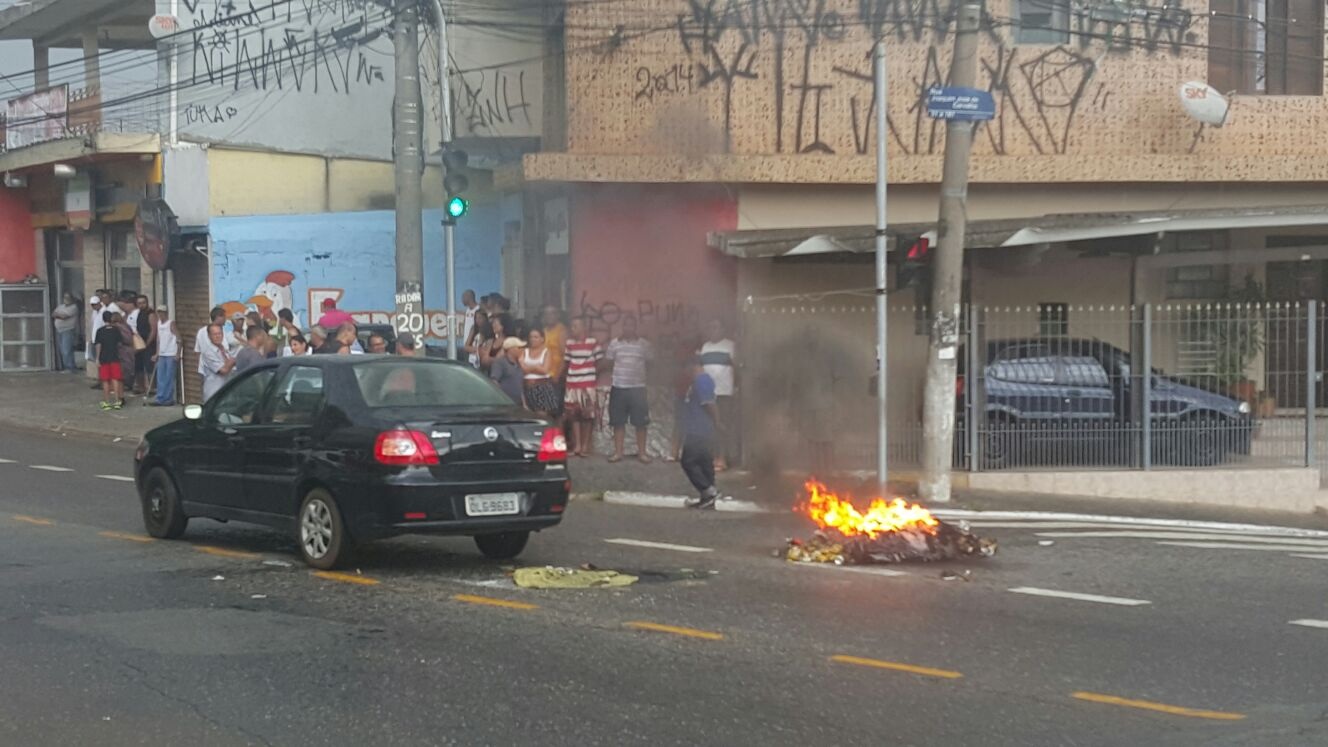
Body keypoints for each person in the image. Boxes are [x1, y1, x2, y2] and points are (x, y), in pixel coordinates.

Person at [606, 315, 654, 464]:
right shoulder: (614, 344)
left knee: (641, 423)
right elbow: (608, 362)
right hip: (619, 387)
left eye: (631, 325)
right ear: (623, 327)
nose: (628, 328)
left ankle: (642, 453)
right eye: (626, 325)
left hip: (638, 388)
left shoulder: (644, 345)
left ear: (635, 327)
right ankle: (618, 453)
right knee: (618, 422)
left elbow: (651, 363)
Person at [679, 357, 726, 510]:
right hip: (700, 429)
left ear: (694, 365)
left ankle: (708, 490)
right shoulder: (698, 382)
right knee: (704, 462)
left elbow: (710, 404)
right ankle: (707, 498)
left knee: (688, 461)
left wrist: (717, 422)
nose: (685, 372)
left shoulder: (702, 381)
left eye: (686, 368)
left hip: (699, 430)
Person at [699, 319, 740, 470]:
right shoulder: (705, 347)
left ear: (722, 329)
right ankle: (712, 457)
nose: (713, 330)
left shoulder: (730, 345)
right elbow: (702, 370)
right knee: (709, 426)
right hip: (707, 393)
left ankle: (722, 458)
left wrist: (736, 386)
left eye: (716, 327)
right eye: (710, 327)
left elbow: (737, 368)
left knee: (721, 425)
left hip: (724, 392)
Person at [563, 317, 603, 457]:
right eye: (572, 326)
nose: (573, 329)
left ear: (583, 327)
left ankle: (585, 446)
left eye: (575, 326)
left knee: (588, 416)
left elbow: (600, 362)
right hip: (572, 384)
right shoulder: (569, 344)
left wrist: (590, 374)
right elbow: (567, 362)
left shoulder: (592, 342)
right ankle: (577, 445)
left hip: (588, 384)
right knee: (574, 416)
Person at [520, 328, 560, 417]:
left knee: (542, 415)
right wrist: (537, 367)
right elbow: (523, 369)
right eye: (531, 337)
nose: (532, 339)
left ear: (542, 339)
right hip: (527, 387)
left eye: (536, 337)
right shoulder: (524, 351)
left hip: (542, 387)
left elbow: (545, 370)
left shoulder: (546, 351)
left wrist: (531, 367)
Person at [94, 311, 124, 411]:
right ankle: (117, 401)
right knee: (115, 379)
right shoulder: (116, 330)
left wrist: (97, 358)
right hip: (115, 357)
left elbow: (98, 345)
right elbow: (120, 344)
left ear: (103, 319)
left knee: (105, 380)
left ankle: (106, 402)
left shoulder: (100, 331)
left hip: (104, 358)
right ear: (111, 318)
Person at [199, 324, 236, 402]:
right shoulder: (208, 352)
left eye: (219, 333)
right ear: (209, 336)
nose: (218, 336)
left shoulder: (224, 349)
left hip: (225, 394)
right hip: (213, 394)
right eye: (215, 334)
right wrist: (234, 360)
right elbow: (223, 370)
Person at [152, 306, 179, 406]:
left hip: (171, 353)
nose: (160, 315)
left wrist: (178, 353)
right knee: (160, 377)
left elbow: (178, 338)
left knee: (169, 377)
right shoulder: (159, 323)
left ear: (166, 313)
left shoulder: (171, 323)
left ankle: (168, 398)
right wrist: (157, 353)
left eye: (162, 312)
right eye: (159, 312)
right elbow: (158, 339)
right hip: (162, 353)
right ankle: (160, 398)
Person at [490, 337, 526, 406]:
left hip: (518, 404)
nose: (522, 349)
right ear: (511, 349)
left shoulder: (519, 364)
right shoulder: (500, 362)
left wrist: (524, 404)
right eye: (519, 347)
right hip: (504, 405)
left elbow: (520, 386)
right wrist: (502, 398)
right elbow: (494, 381)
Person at [133, 295, 156, 396]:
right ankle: (141, 387)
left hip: (148, 344)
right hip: (140, 343)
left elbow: (153, 330)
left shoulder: (150, 314)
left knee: (149, 366)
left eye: (143, 303)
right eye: (139, 303)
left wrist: (147, 343)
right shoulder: (139, 313)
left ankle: (152, 388)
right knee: (139, 366)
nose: (142, 305)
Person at [52, 293, 79, 373]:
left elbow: (64, 317)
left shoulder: (74, 307)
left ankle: (70, 368)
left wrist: (58, 315)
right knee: (62, 350)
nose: (66, 299)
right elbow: (53, 314)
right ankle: (66, 366)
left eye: (68, 297)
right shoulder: (61, 306)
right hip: (59, 330)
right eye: (65, 297)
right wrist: (59, 315)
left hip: (68, 330)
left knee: (66, 350)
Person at [541, 305, 568, 387]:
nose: (549, 316)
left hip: (557, 375)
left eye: (552, 313)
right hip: (545, 374)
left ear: (557, 315)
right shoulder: (543, 331)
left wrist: (558, 375)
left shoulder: (562, 331)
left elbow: (565, 356)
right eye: (547, 314)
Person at [115, 312, 137, 400]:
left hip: (123, 350)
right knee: (129, 367)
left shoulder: (118, 327)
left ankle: (123, 390)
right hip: (130, 350)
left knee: (123, 371)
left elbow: (125, 339)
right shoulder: (127, 326)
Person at [460, 289, 479, 362]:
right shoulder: (467, 310)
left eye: (463, 297)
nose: (462, 300)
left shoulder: (478, 310)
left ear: (469, 297)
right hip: (466, 345)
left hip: (473, 347)